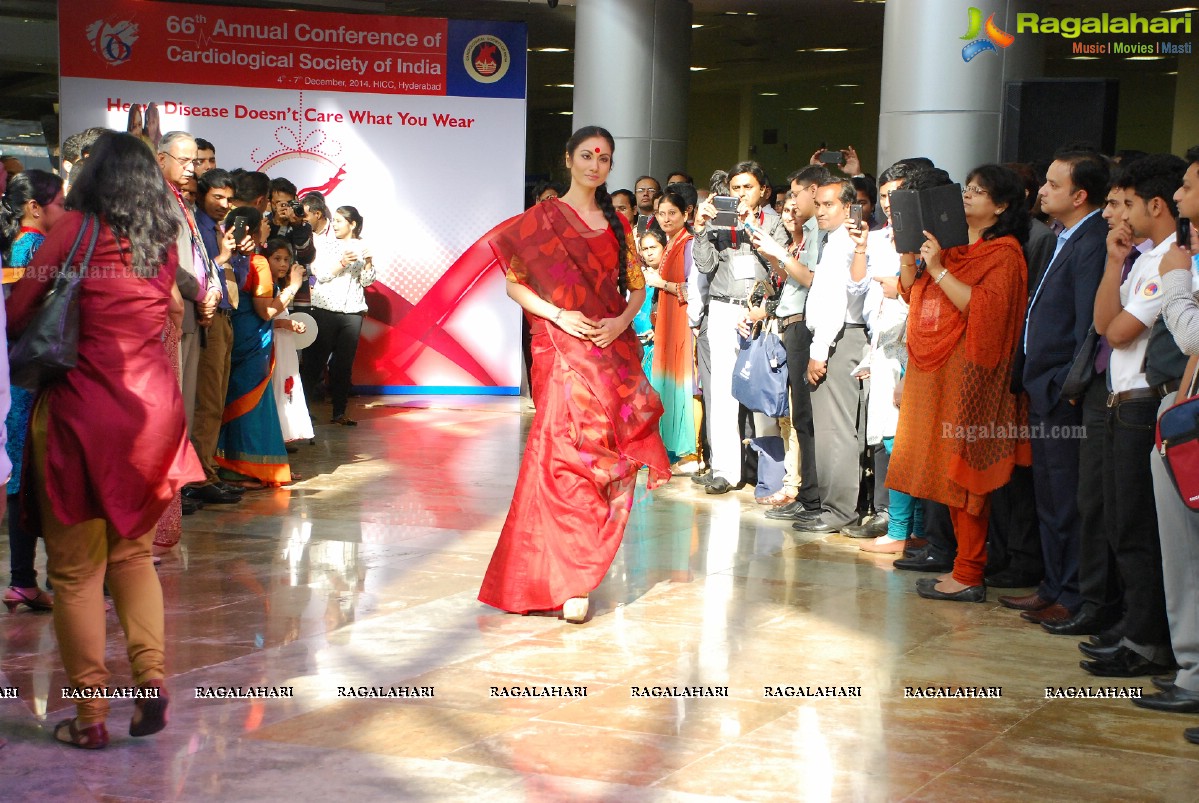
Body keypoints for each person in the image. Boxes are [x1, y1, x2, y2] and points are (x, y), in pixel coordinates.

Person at [6, 132, 205, 748]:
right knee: (132, 558)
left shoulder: (71, 231)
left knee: (74, 572)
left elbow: (20, 311)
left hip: (83, 413)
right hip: (153, 416)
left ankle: (90, 717)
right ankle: (150, 684)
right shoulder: (161, 243)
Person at [478, 126, 670, 623]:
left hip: (610, 353)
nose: (594, 165)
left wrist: (619, 323)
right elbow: (514, 288)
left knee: (607, 457)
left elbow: (635, 290)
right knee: (562, 457)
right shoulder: (541, 219)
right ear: (568, 159)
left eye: (604, 158)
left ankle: (580, 572)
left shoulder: (617, 224)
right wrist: (559, 316)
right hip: (559, 351)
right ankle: (564, 580)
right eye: (586, 155)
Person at [888, 164, 1031, 603]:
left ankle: (969, 572)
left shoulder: (1004, 253)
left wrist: (940, 269)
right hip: (935, 371)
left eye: (978, 191)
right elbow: (911, 293)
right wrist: (909, 256)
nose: (967, 196)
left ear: (1001, 205)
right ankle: (960, 567)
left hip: (971, 376)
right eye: (966, 189)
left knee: (963, 472)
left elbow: (984, 312)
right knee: (942, 470)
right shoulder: (948, 247)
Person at [1082, 153, 1188, 677]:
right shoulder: (1145, 258)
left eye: (1127, 203)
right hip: (1119, 400)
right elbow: (1104, 322)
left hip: (1144, 402)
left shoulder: (1175, 257)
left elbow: (1121, 333)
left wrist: (1115, 308)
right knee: (1121, 523)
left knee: (1138, 528)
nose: (1118, 214)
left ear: (1156, 205)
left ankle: (1147, 641)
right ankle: (1134, 630)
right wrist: (1111, 262)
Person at [1002, 149, 1109, 627]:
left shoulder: (1092, 240)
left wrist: (1068, 383)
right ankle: (1052, 584)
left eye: (1052, 184)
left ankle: (1072, 591)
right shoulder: (1067, 235)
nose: (1042, 191)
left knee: (1067, 499)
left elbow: (1089, 324)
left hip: (1063, 391)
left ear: (1080, 194)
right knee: (1048, 495)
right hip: (1042, 386)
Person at [1142, 145, 1199, 732]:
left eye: (1188, 185)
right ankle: (1191, 668)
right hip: (1184, 414)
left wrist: (1177, 281)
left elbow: (1191, 336)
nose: (1180, 196)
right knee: (1182, 555)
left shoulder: (1180, 261)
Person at [1, 169, 65, 611]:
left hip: (20, 374)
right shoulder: (33, 246)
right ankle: (32, 578)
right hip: (32, 379)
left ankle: (24, 579)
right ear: (34, 208)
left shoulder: (21, 246)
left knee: (23, 476)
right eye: (59, 203)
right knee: (31, 477)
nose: (65, 211)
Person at [215, 206, 298, 487]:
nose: (267, 225)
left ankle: (227, 465)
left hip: (233, 332)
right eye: (263, 221)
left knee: (231, 398)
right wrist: (293, 287)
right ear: (251, 229)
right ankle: (246, 469)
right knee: (251, 402)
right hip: (252, 339)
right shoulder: (258, 262)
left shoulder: (227, 255)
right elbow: (266, 311)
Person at [301, 205, 375, 426]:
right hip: (325, 308)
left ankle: (340, 412)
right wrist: (342, 262)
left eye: (340, 221)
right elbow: (320, 274)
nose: (335, 225)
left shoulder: (363, 246)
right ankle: (301, 411)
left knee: (343, 365)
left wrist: (368, 261)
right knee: (315, 362)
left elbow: (367, 281)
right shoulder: (324, 244)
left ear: (352, 224)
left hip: (352, 310)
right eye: (334, 221)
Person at [643, 184, 698, 469]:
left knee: (680, 384)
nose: (666, 218)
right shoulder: (670, 244)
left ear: (685, 213)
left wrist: (661, 283)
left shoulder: (688, 244)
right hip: (666, 321)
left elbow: (694, 289)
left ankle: (686, 451)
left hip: (681, 322)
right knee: (665, 383)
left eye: (672, 213)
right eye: (661, 213)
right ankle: (668, 447)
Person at [265, 238, 315, 445]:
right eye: (277, 258)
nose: (283, 264)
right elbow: (265, 317)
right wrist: (285, 324)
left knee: (286, 389)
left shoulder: (278, 287)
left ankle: (281, 447)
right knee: (277, 391)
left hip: (285, 349)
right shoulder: (267, 288)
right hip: (274, 348)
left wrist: (289, 324)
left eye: (287, 259)